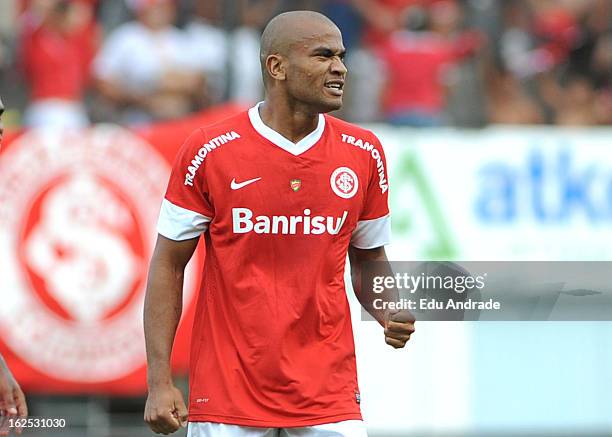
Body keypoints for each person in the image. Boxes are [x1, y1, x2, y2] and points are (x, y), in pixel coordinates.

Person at [143, 10, 415, 437]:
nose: (340, 67)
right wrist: (159, 382)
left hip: (328, 392)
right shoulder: (210, 151)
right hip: (228, 392)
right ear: (277, 67)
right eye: (323, 55)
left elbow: (369, 257)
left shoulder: (364, 152)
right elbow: (167, 265)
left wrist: (387, 307)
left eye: (341, 56)